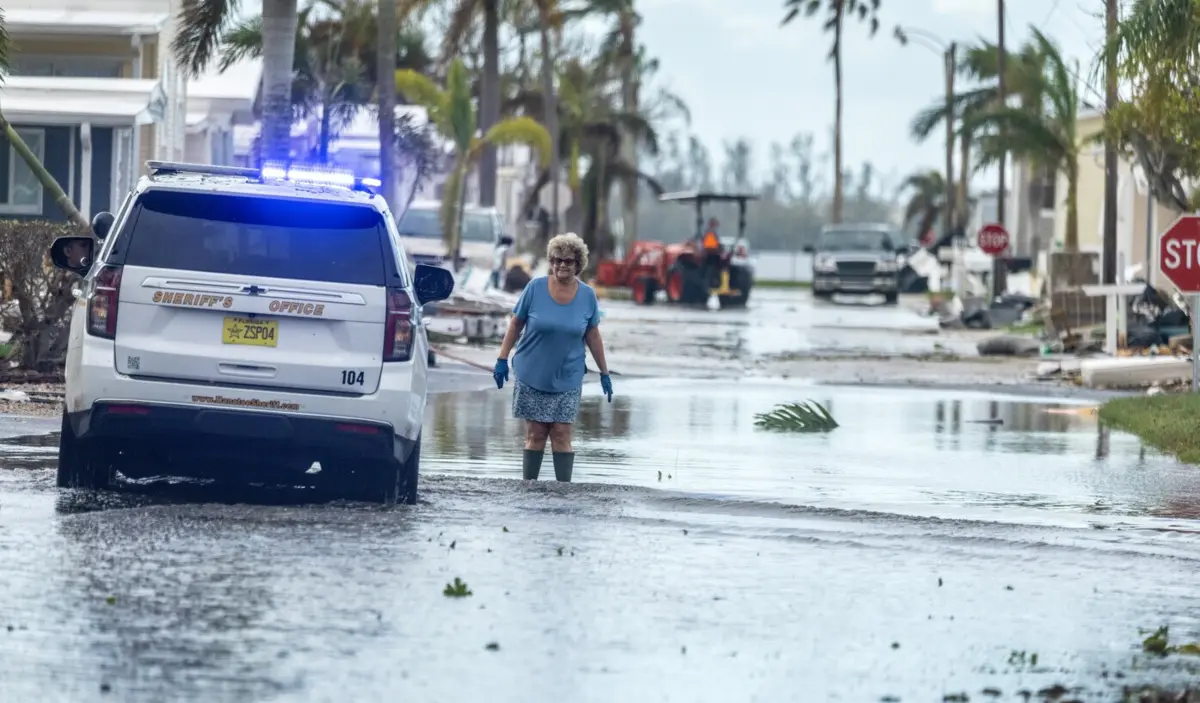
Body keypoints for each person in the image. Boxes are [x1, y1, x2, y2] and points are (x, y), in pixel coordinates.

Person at [493, 233, 613, 483]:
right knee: (536, 434)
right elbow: (516, 324)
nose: (561, 265)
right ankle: (530, 490)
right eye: (557, 260)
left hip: (568, 376)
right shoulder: (535, 288)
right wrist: (502, 358)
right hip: (532, 372)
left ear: (578, 264)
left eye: (568, 261)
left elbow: (593, 335)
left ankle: (564, 494)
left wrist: (604, 372)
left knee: (561, 433)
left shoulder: (588, 296)